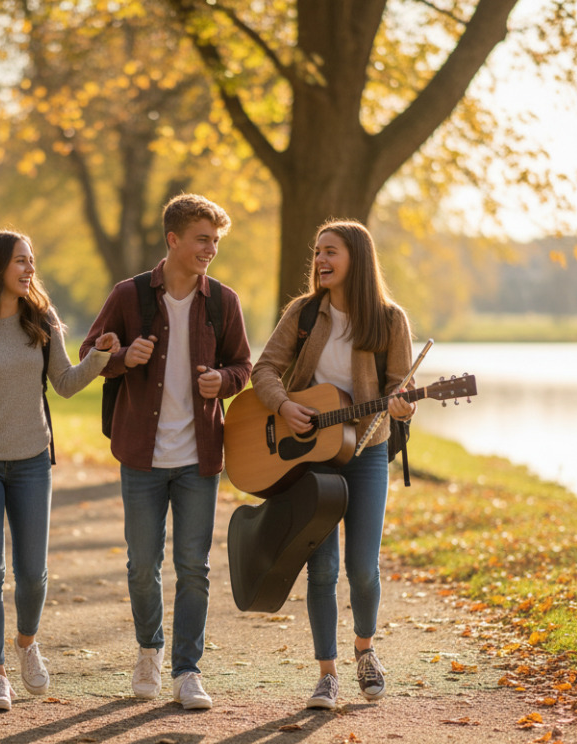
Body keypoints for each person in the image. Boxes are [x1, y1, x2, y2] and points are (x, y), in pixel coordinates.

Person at [0, 230, 119, 712]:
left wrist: (100, 357)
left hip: (33, 460)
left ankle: (27, 643)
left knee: (33, 573)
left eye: (32, 260)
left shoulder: (41, 318)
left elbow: (65, 383)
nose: (29, 269)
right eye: (20, 261)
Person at [79, 194, 251, 711]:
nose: (210, 250)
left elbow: (244, 366)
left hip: (199, 457)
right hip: (142, 456)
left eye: (215, 241)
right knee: (141, 565)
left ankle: (188, 670)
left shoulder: (223, 301)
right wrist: (122, 357)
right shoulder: (130, 296)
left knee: (193, 567)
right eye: (203, 239)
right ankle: (149, 652)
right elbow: (91, 355)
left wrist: (222, 381)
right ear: (173, 239)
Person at [249, 219, 416, 710]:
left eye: (331, 252)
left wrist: (404, 404)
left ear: (356, 260)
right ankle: (326, 674)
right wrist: (282, 406)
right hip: (311, 461)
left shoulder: (389, 319)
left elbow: (398, 389)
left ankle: (365, 652)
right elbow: (264, 369)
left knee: (362, 568)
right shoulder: (303, 314)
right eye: (317, 251)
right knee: (320, 570)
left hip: (365, 454)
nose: (320, 260)